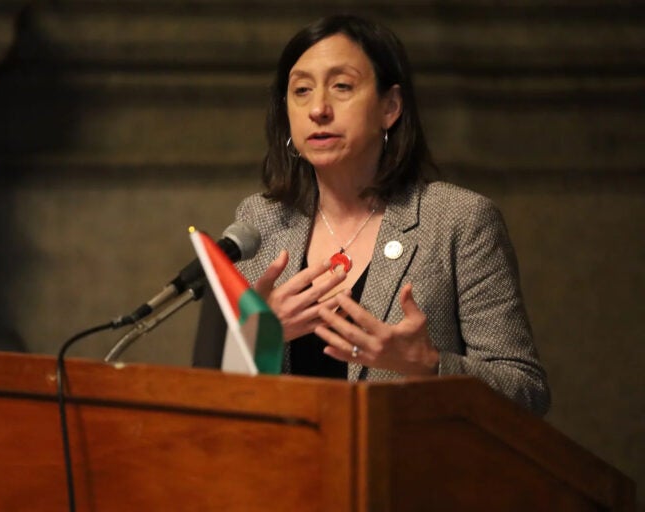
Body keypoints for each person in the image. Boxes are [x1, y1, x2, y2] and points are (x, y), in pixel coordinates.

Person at [232, 14, 550, 416]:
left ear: (390, 107)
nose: (318, 109)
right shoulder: (259, 224)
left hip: (410, 472)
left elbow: (527, 392)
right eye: (301, 91)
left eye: (342, 86)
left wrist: (429, 365)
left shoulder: (458, 221)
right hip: (287, 471)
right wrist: (257, 338)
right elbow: (213, 386)